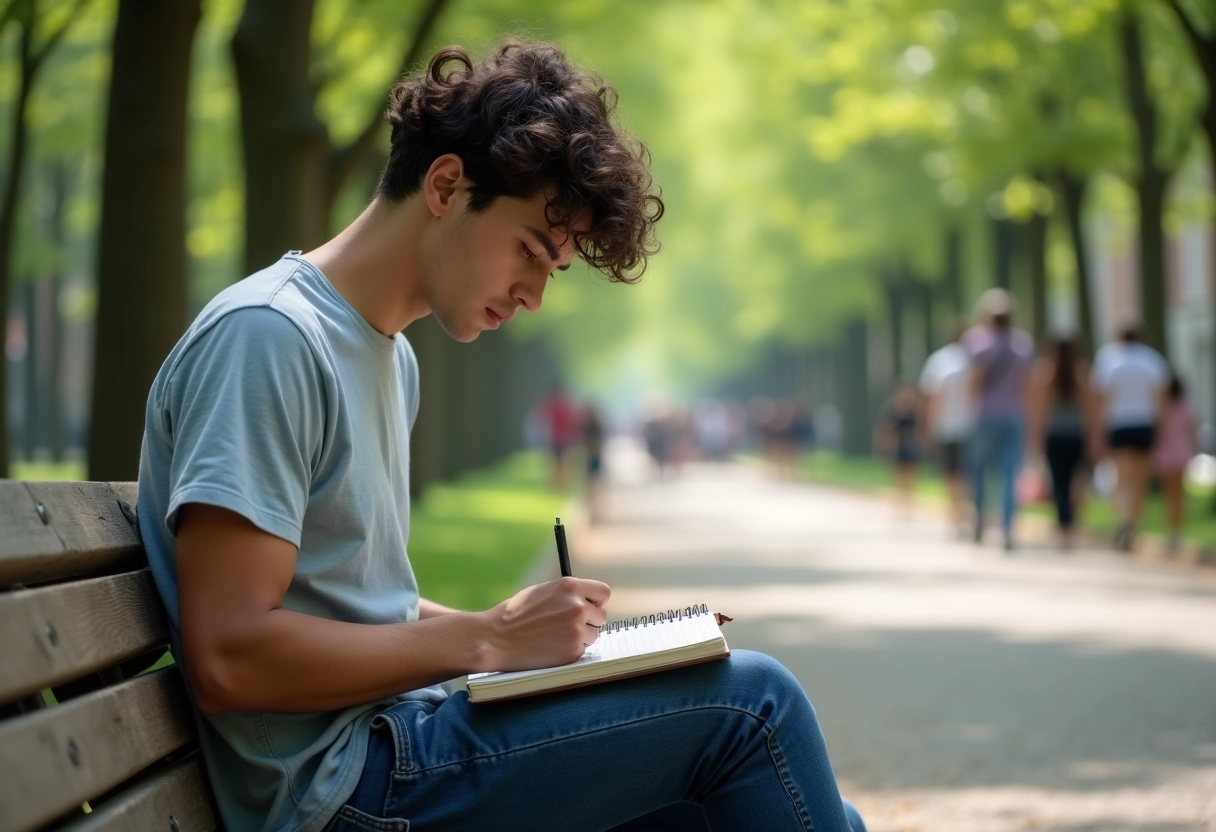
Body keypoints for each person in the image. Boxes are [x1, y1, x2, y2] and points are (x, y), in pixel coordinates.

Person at [136, 42, 865, 832]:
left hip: (395, 746)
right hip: (348, 789)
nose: (534, 295)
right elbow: (231, 656)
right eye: (529, 251)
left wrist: (544, 647)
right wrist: (487, 642)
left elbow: (349, 597)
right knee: (756, 707)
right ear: (447, 185)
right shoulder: (271, 339)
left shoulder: (386, 356)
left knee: (736, 797)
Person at [967, 289, 1035, 550]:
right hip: (1014, 416)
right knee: (1010, 475)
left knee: (981, 472)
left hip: (985, 416)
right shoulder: (1023, 345)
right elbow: (1029, 387)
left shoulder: (977, 343)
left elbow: (974, 383)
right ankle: (1007, 529)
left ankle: (980, 523)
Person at [1090, 326, 1169, 551]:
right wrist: (1160, 428)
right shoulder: (1151, 359)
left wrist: (1097, 430)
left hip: (1119, 424)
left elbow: (1100, 397)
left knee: (1122, 477)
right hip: (1144, 424)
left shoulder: (1108, 358)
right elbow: (1160, 397)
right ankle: (1134, 524)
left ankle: (1124, 521)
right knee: (1140, 480)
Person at [1027, 338, 1096, 549]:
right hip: (1076, 435)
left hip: (1054, 436)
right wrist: (1094, 437)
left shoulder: (1045, 373)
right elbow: (1090, 410)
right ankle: (1071, 523)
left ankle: (1064, 526)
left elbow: (1039, 410)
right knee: (1076, 481)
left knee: (1059, 483)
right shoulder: (1082, 373)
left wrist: (1036, 437)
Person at [919, 322, 974, 535]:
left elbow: (931, 396)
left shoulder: (939, 360)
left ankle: (955, 513)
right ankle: (964, 512)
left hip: (946, 425)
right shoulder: (975, 359)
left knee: (951, 472)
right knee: (966, 471)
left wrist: (928, 425)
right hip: (970, 424)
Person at [1152, 372, 1197, 553]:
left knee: (1168, 495)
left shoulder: (1161, 408)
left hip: (1165, 454)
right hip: (1181, 453)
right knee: (1179, 495)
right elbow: (1192, 431)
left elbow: (1158, 432)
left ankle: (1171, 531)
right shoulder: (1188, 407)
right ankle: (1176, 532)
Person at [875, 381, 920, 519]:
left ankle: (908, 505)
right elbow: (886, 429)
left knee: (910, 476)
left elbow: (920, 429)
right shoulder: (893, 411)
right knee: (898, 476)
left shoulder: (915, 410)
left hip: (911, 446)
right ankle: (899, 504)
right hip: (898, 447)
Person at [540, 383, 580, 490]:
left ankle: (558, 483)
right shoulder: (562, 405)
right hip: (560, 438)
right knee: (559, 461)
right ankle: (560, 483)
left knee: (557, 461)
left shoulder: (553, 405)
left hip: (558, 438)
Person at [582, 402, 606, 525]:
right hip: (589, 458)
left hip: (594, 458)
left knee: (595, 485)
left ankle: (596, 512)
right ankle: (592, 513)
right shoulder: (585, 426)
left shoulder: (594, 426)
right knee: (590, 487)